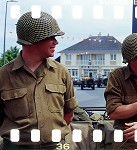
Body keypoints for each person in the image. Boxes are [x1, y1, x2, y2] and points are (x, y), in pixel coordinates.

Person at [0, 11, 78, 149]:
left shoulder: (61, 72)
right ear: (33, 40)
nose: (56, 41)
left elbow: (69, 113)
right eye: (51, 37)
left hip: (55, 146)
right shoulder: (4, 75)